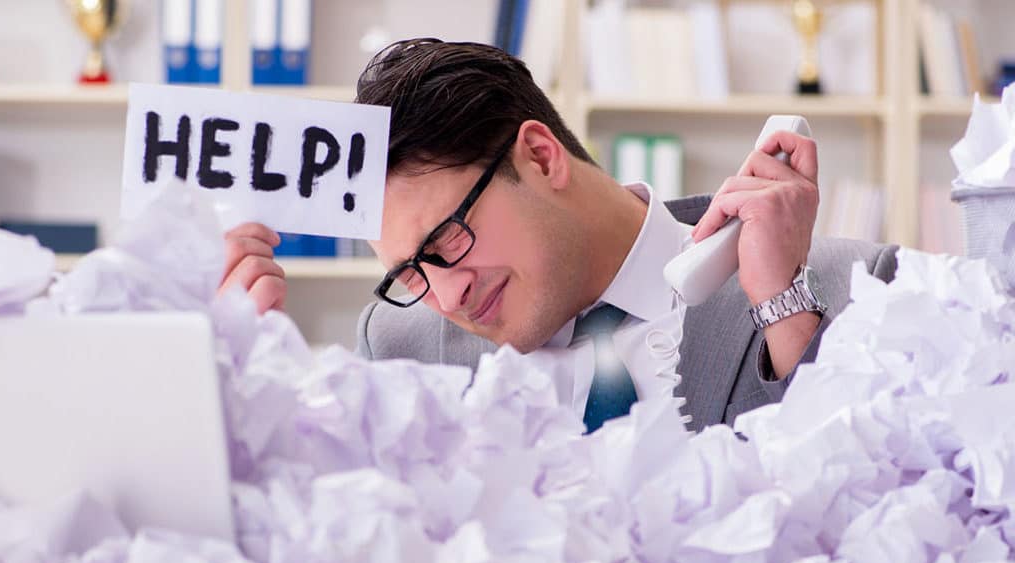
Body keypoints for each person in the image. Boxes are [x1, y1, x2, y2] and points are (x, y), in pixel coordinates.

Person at [221, 39, 897, 433]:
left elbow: (880, 521)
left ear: (541, 158)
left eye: (448, 240)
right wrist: (247, 382)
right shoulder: (400, 345)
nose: (447, 296)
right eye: (409, 274)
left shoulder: (855, 288)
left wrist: (781, 306)